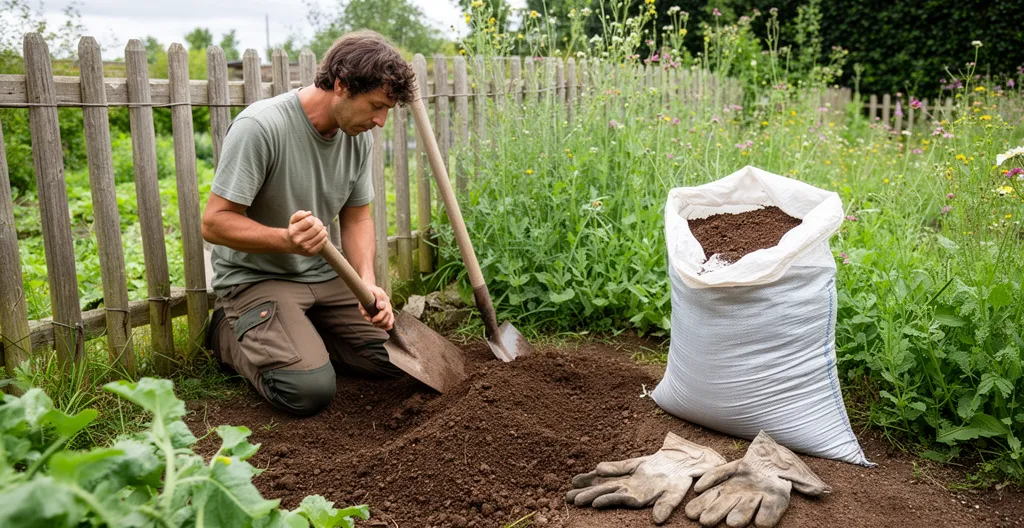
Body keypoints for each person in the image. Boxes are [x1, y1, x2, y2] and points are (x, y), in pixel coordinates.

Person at [201, 30, 416, 416]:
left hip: (321, 276)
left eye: (387, 110)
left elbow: (358, 218)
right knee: (308, 390)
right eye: (376, 106)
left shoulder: (357, 137)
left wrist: (367, 284)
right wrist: (286, 240)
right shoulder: (262, 127)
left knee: (397, 361)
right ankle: (227, 334)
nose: (381, 121)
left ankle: (300, 336)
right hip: (257, 278)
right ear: (342, 85)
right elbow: (214, 223)